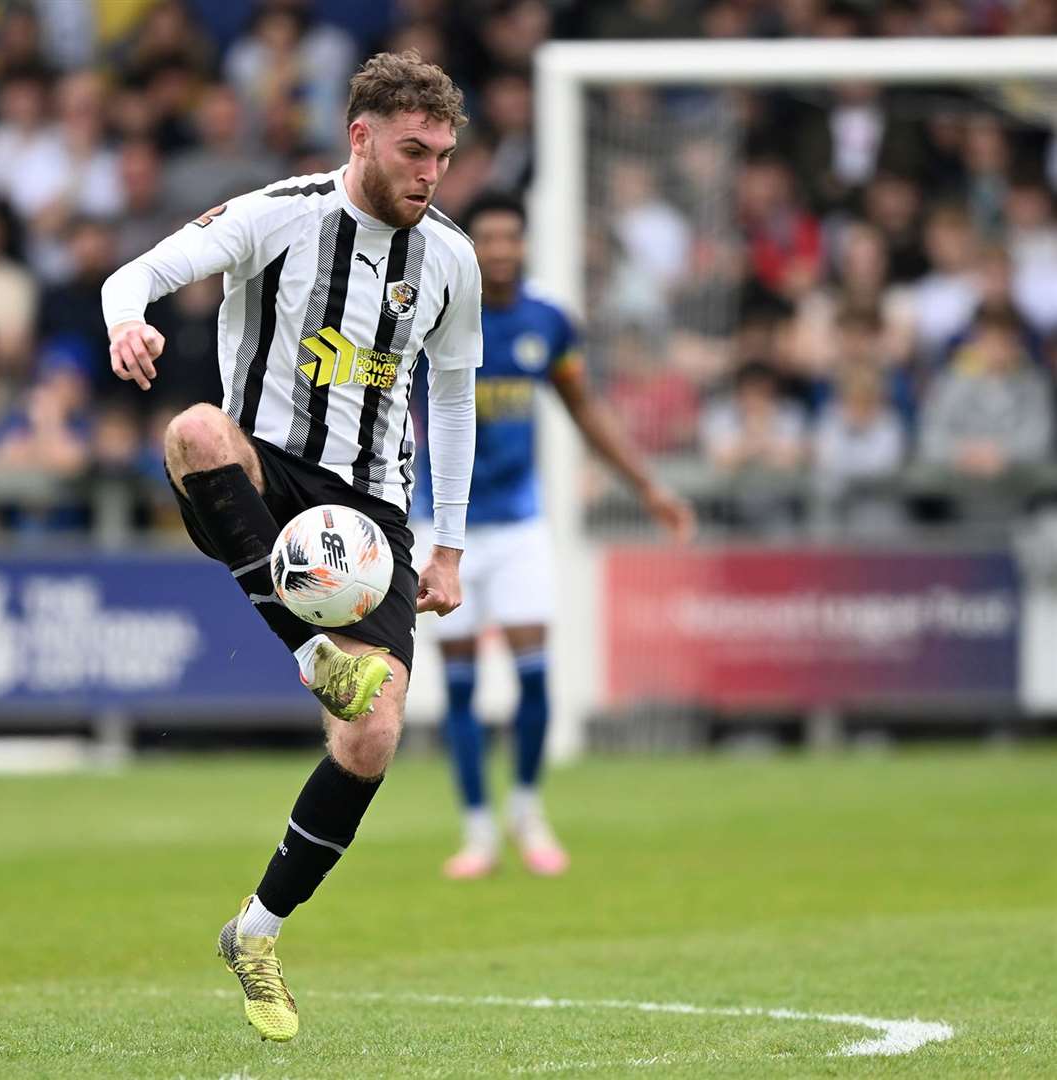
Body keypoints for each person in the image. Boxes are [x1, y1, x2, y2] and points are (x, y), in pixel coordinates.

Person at [101, 50, 479, 1043]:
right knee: (191, 429)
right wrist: (126, 322)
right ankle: (310, 654)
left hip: (374, 518)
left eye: (441, 154)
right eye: (411, 150)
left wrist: (446, 547)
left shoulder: (448, 259)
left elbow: (450, 395)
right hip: (264, 479)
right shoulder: (278, 214)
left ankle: (257, 931)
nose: (428, 172)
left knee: (373, 734)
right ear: (360, 137)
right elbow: (133, 273)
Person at [415, 192, 693, 881]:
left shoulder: (547, 322)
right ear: (469, 245)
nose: (503, 250)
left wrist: (649, 487)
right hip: (441, 526)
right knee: (458, 687)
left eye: (513, 237)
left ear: (526, 244)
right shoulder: (429, 310)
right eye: (490, 238)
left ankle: (527, 809)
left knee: (535, 674)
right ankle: (477, 829)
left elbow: (584, 408)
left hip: (518, 525)